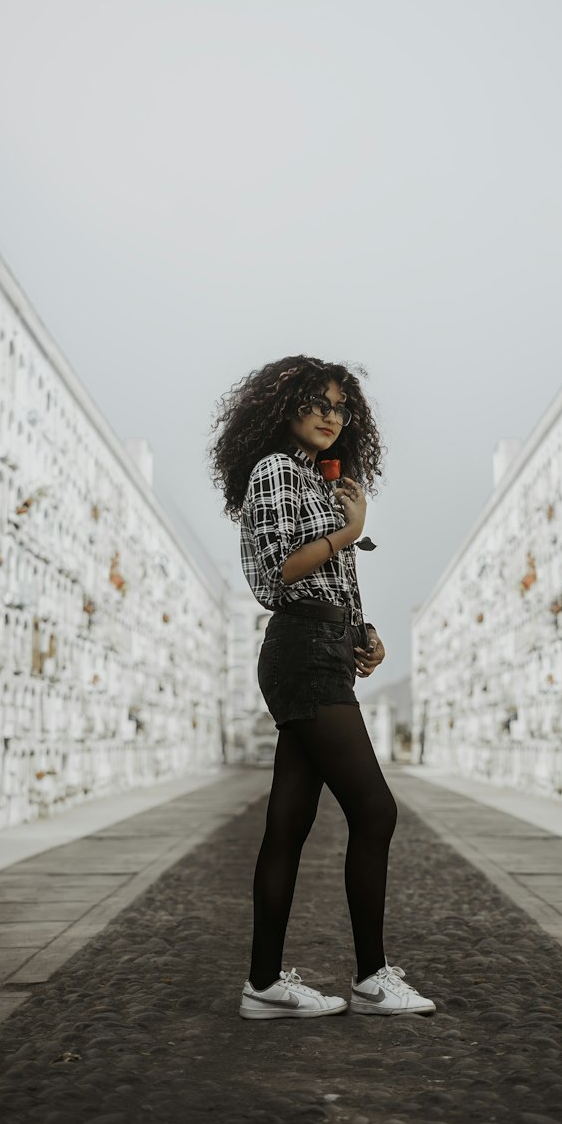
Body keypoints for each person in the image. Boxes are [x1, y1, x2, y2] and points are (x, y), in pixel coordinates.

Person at [208, 355, 435, 1020]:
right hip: (302, 650)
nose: (330, 415)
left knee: (290, 822)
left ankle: (264, 985)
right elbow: (282, 571)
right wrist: (349, 532)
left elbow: (330, 578)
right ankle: (370, 978)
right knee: (375, 810)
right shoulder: (276, 471)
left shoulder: (323, 482)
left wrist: (362, 632)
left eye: (340, 406)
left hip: (325, 647)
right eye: (316, 402)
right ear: (285, 409)